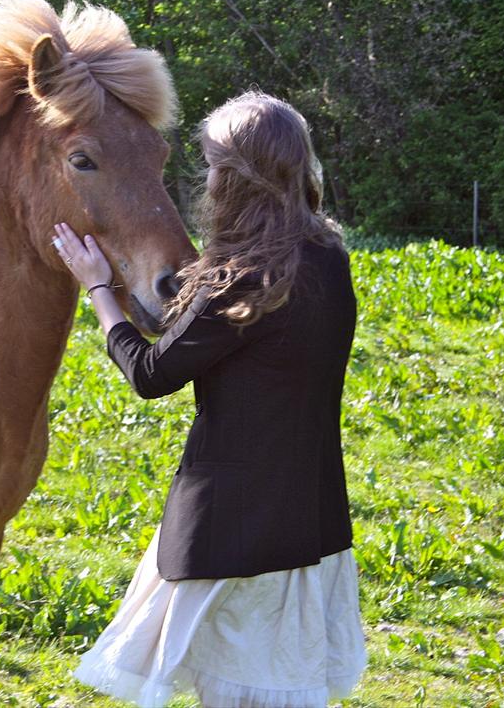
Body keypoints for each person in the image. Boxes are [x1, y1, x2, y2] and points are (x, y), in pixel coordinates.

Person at [53, 91, 365, 708]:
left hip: (225, 530)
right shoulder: (327, 257)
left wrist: (99, 291)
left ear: (237, 178)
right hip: (307, 518)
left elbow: (150, 374)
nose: (210, 178)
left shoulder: (239, 278)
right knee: (274, 684)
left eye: (216, 165)